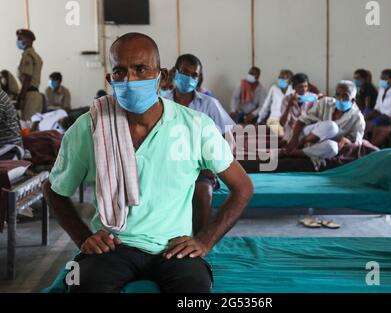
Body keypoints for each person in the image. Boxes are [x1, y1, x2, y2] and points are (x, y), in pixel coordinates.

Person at [43, 32, 253, 293]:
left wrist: (204, 241)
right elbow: (53, 188)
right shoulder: (90, 128)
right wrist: (83, 237)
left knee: (194, 291)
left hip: (172, 247)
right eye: (120, 72)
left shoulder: (195, 126)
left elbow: (242, 187)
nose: (130, 80)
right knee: (82, 285)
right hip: (113, 245)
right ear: (110, 79)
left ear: (162, 77)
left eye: (141, 69)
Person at [163, 53, 236, 233]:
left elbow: (229, 137)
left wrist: (214, 165)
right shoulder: (161, 101)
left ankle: (198, 243)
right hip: (166, 164)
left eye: (194, 75)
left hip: (200, 167)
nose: (188, 78)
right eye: (184, 72)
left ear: (199, 78)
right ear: (175, 72)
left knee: (203, 192)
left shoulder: (209, 104)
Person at [283, 81, 365, 162]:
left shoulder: (358, 117)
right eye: (337, 94)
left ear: (353, 100)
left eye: (345, 96)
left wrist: (347, 140)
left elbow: (357, 142)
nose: (340, 98)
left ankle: (296, 152)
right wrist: (294, 138)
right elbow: (302, 120)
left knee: (333, 148)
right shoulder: (325, 102)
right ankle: (301, 143)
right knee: (332, 126)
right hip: (306, 135)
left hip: (323, 144)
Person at [279, 73, 318, 143]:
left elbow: (316, 118)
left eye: (305, 86)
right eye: (300, 87)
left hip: (308, 129)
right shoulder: (287, 99)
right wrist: (289, 106)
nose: (303, 89)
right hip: (291, 131)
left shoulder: (313, 98)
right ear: (294, 87)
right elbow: (282, 123)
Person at [256, 69, 294, 137]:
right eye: (279, 77)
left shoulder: (293, 91)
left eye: (283, 78)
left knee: (292, 131)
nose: (280, 80)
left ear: (290, 81)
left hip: (288, 121)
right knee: (279, 132)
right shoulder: (274, 89)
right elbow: (266, 106)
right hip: (274, 119)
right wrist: (259, 120)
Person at [16, 29, 43, 121]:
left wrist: (21, 97)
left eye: (20, 39)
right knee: (33, 125)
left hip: (30, 96)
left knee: (28, 124)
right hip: (36, 95)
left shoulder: (28, 56)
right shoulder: (36, 56)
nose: (18, 41)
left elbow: (27, 78)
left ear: (28, 40)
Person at [365, 69, 391, 137]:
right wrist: (371, 113)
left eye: (384, 79)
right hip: (379, 114)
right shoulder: (381, 90)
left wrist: (376, 114)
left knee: (373, 123)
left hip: (388, 117)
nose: (382, 81)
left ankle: (369, 139)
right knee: (364, 116)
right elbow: (377, 106)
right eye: (381, 78)